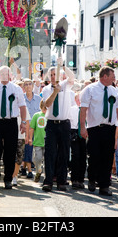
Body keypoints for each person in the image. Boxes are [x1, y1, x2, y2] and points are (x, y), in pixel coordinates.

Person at [80, 67, 118, 196]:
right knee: (94, 156)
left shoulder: (114, 91)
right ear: (105, 76)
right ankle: (92, 179)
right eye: (112, 76)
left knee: (108, 157)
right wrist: (82, 127)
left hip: (109, 127)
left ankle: (104, 185)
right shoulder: (90, 89)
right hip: (94, 128)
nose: (114, 78)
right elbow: (83, 109)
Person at [0, 66, 27, 189]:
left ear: (10, 74)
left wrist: (23, 122)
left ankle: (8, 178)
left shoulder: (16, 88)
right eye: (1, 73)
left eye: (6, 73)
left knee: (10, 151)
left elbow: (22, 106)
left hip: (11, 122)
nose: (4, 75)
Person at [41, 59, 75, 192]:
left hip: (64, 123)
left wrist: (64, 66)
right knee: (50, 153)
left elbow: (72, 77)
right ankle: (48, 181)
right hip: (51, 124)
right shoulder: (46, 89)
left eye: (56, 74)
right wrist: (55, 91)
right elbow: (47, 104)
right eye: (52, 75)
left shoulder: (66, 85)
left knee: (64, 153)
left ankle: (62, 181)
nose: (54, 77)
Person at [22, 78, 42, 179]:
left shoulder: (39, 99)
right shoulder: (21, 98)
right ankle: (29, 170)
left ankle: (25, 167)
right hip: (24, 127)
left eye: (30, 84)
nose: (28, 86)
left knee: (35, 150)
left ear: (33, 86)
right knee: (27, 148)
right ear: (23, 87)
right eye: (26, 84)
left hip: (36, 129)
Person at [69, 91, 86, 190]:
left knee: (83, 157)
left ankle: (81, 179)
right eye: (79, 99)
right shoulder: (72, 110)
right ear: (75, 100)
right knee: (75, 156)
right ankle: (74, 179)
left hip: (85, 133)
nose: (80, 101)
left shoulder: (87, 109)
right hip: (74, 132)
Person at [28, 100, 47, 183]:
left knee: (47, 160)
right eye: (44, 108)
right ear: (41, 107)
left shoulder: (50, 116)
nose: (45, 110)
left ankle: (47, 176)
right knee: (37, 159)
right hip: (38, 142)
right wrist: (30, 138)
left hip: (47, 142)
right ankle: (38, 171)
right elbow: (32, 128)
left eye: (46, 108)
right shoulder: (36, 115)